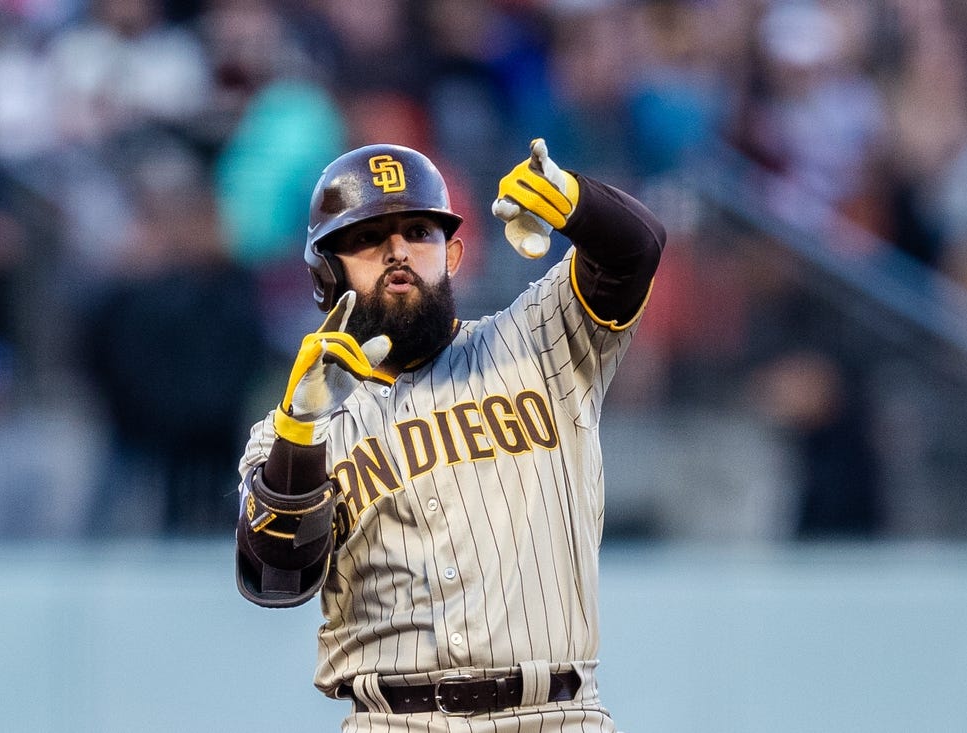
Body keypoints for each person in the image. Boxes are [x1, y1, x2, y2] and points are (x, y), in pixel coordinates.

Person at [234, 138, 665, 731]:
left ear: (454, 253)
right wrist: (300, 431)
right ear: (323, 277)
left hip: (556, 714)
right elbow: (278, 577)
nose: (397, 251)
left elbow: (636, 252)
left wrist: (577, 201)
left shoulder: (538, 342)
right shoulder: (288, 434)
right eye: (367, 238)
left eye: (420, 232)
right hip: (392, 720)